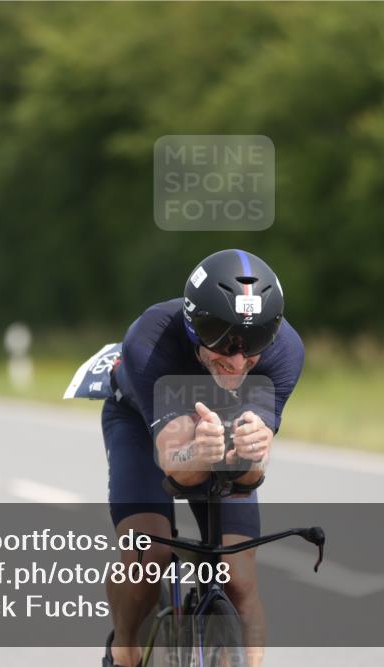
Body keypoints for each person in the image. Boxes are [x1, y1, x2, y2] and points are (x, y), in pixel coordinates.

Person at [101, 249, 304, 667]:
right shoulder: (150, 337)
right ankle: (123, 652)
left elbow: (249, 478)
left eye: (254, 343)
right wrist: (199, 451)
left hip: (221, 426)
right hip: (142, 425)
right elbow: (178, 470)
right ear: (194, 327)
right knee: (148, 557)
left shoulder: (286, 352)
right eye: (221, 340)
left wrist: (251, 456)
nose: (235, 360)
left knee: (240, 579)